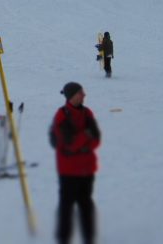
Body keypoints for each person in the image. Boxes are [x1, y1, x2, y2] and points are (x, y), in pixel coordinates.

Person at [49, 82, 101, 244]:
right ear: (72, 96)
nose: (84, 95)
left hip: (86, 169)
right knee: (66, 207)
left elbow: (96, 139)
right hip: (69, 171)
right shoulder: (61, 115)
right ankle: (63, 239)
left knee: (86, 205)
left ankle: (89, 238)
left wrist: (82, 142)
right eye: (81, 93)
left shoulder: (87, 113)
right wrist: (85, 137)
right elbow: (68, 143)